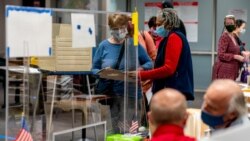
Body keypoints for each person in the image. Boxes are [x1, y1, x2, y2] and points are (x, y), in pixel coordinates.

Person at [92, 13, 153, 133]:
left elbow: (149, 63)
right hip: (112, 95)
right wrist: (103, 72)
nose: (119, 31)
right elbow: (93, 68)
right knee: (115, 131)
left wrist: (140, 70)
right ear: (110, 28)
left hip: (132, 95)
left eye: (121, 28)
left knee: (132, 132)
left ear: (126, 27)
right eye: (115, 29)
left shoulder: (133, 44)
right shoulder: (104, 46)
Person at [135, 8, 194, 100]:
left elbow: (168, 69)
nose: (157, 28)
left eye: (159, 24)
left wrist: (142, 75)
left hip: (171, 90)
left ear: (167, 23)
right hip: (172, 89)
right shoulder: (172, 36)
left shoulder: (174, 37)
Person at [212, 15, 249, 80]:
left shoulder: (233, 37)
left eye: (231, 23)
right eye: (227, 23)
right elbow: (221, 54)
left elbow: (234, 50)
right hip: (224, 72)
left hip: (232, 72)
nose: (229, 25)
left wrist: (242, 53)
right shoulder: (224, 37)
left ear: (235, 24)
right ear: (225, 25)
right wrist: (236, 56)